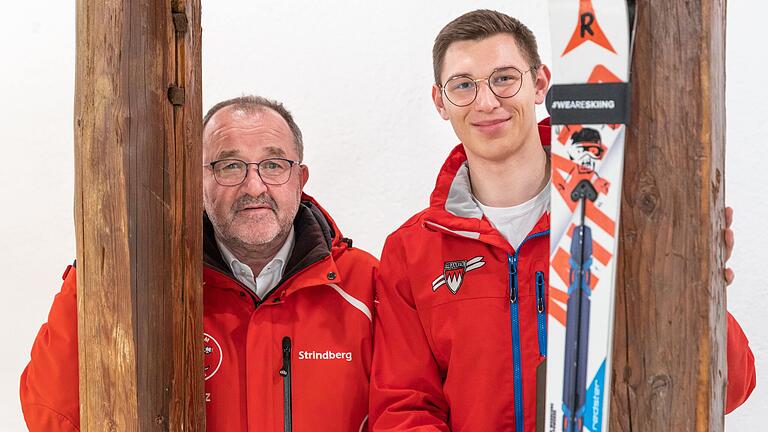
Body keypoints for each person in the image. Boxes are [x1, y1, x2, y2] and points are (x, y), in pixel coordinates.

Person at [369, 9, 755, 431]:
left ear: (539, 84)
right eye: (463, 85)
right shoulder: (411, 249)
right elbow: (404, 409)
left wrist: (698, 287)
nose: (486, 102)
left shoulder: (616, 217)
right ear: (440, 102)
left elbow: (731, 389)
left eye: (504, 77)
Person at [20, 96, 377, 431]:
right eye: (230, 165)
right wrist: (105, 260)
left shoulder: (366, 286)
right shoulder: (150, 285)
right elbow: (54, 417)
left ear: (299, 180)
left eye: (273, 164)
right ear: (197, 181)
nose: (255, 186)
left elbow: (405, 410)